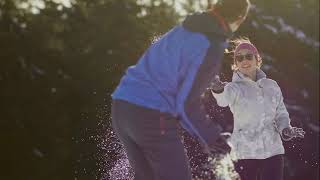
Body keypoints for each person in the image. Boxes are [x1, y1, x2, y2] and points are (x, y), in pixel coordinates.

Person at [111, 0, 251, 179]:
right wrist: (212, 138)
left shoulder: (184, 29)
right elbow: (185, 104)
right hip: (152, 115)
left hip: (122, 106)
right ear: (239, 19)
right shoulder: (211, 45)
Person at [210, 37, 305, 180]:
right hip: (245, 152)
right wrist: (217, 90)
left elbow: (280, 114)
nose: (244, 60)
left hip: (273, 151)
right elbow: (223, 100)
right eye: (239, 58)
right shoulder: (233, 88)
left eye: (248, 56)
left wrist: (286, 129)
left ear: (257, 59)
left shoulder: (271, 86)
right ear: (235, 64)